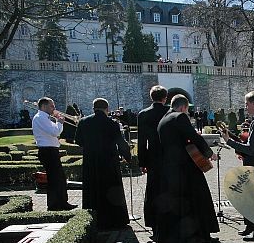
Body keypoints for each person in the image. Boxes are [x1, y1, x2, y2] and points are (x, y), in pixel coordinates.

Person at [155, 95, 219, 243]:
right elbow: (194, 137)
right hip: (185, 168)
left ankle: (177, 238)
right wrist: (210, 153)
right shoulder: (180, 118)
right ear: (183, 107)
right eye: (187, 110)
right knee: (198, 199)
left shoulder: (164, 119)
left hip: (170, 169)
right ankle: (201, 236)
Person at [220, 91, 254, 242]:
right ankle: (250, 226)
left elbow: (250, 148)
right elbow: (248, 145)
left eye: (247, 104)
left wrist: (228, 142)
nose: (245, 107)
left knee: (253, 199)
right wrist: (229, 135)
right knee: (248, 196)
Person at [75, 98, 131, 230]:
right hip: (109, 161)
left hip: (91, 161)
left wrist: (90, 148)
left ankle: (93, 218)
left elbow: (78, 141)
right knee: (111, 190)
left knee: (92, 189)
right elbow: (120, 143)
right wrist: (127, 156)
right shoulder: (111, 123)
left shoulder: (83, 122)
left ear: (93, 108)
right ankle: (115, 220)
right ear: (107, 108)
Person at [32, 97, 76, 211]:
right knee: (54, 179)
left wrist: (57, 124)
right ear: (44, 106)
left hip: (51, 150)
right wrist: (59, 122)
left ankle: (62, 202)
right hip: (47, 151)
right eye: (52, 106)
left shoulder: (44, 118)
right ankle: (54, 205)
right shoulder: (40, 118)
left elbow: (54, 133)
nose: (54, 108)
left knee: (59, 178)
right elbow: (55, 131)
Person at [137, 85, 169, 233]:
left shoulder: (143, 114)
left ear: (151, 97)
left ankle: (153, 221)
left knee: (153, 189)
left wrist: (142, 162)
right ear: (165, 98)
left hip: (153, 156)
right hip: (170, 156)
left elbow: (142, 141)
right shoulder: (170, 112)